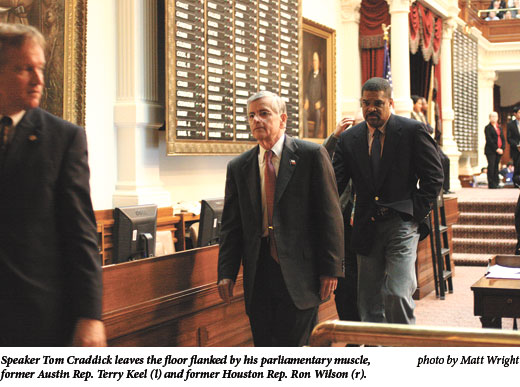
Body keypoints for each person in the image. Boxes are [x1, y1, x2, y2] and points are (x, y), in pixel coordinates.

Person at [0, 23, 105, 346]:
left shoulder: (63, 138)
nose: (38, 80)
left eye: (41, 68)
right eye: (25, 69)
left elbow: (81, 233)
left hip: (38, 320)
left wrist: (90, 315)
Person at [217, 91, 344, 346]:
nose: (257, 120)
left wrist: (331, 269)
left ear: (283, 119)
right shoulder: (239, 167)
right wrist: (226, 272)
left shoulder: (311, 155)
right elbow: (232, 226)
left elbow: (330, 216)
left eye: (264, 113)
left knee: (294, 346)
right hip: (259, 271)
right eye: (251, 115)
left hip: (301, 273)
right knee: (265, 344)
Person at [333, 77, 443, 325]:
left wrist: (414, 213)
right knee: (368, 302)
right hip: (364, 226)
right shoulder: (349, 139)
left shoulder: (412, 131)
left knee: (397, 294)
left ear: (390, 103)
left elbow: (434, 177)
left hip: (401, 223)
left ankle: (403, 353)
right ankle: (376, 355)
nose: (371, 108)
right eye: (366, 103)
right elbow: (335, 183)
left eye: (377, 103)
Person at [323, 116, 361, 324]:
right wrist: (335, 136)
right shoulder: (342, 151)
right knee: (345, 286)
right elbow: (319, 160)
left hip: (369, 227)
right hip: (343, 226)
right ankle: (352, 331)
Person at [415, 96, 453, 194]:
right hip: (422, 144)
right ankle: (439, 189)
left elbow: (430, 128)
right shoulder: (411, 115)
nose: (421, 106)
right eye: (419, 103)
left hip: (431, 141)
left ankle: (446, 188)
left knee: (446, 159)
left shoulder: (422, 116)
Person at [303, 51, 326, 138]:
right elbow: (306, 90)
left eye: (316, 60)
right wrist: (306, 100)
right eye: (313, 60)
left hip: (317, 107)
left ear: (319, 62)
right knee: (303, 113)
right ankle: (305, 137)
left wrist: (320, 103)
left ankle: (315, 138)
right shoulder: (309, 76)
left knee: (318, 114)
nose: (314, 62)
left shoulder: (321, 77)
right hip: (309, 107)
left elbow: (324, 96)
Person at [484, 111, 505, 189]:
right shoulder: (488, 128)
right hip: (491, 150)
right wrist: (496, 149)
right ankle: (491, 183)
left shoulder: (499, 127)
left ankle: (496, 183)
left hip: (499, 150)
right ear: (489, 118)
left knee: (496, 166)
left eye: (495, 116)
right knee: (491, 166)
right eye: (492, 116)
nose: (494, 118)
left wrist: (502, 148)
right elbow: (489, 140)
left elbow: (502, 138)